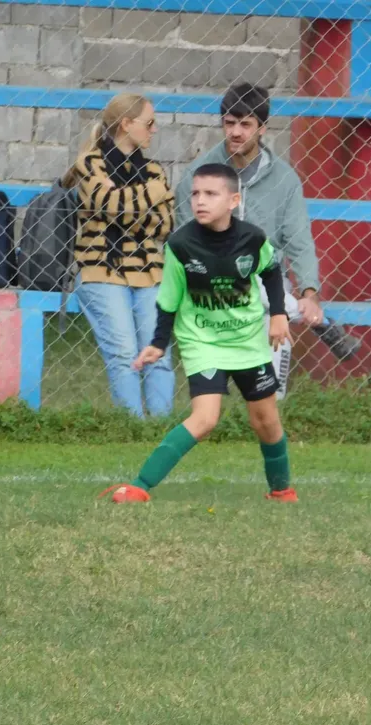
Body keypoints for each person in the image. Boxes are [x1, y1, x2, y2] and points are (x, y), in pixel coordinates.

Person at [100, 163, 298, 504]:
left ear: (233, 200)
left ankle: (281, 491)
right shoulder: (180, 244)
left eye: (210, 194)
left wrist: (278, 314)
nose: (200, 201)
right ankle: (139, 486)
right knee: (205, 419)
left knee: (266, 421)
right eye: (195, 193)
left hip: (248, 341)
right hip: (202, 341)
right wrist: (159, 343)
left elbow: (271, 271)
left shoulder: (253, 238)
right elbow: (169, 299)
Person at [175, 82, 360, 398]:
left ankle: (270, 404)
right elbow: (185, 239)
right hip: (213, 283)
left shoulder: (284, 179)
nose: (235, 132)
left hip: (265, 281)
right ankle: (321, 324)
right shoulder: (199, 174)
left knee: (271, 386)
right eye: (229, 123)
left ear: (262, 127)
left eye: (245, 124)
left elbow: (299, 239)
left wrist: (310, 293)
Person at [63, 93, 176, 417]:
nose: (154, 130)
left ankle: (160, 429)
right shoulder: (91, 163)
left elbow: (164, 224)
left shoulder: (153, 169)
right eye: (149, 123)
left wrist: (122, 208)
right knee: (124, 354)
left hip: (149, 272)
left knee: (158, 353)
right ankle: (131, 427)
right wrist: (150, 197)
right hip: (101, 269)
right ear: (126, 124)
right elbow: (107, 203)